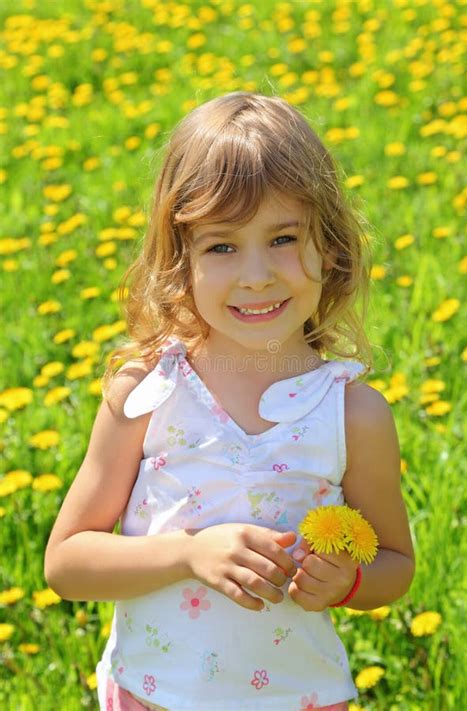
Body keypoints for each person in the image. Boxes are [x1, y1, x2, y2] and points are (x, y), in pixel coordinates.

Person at [44, 91, 415, 711]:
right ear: (178, 260)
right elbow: (66, 562)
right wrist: (189, 555)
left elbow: (396, 563)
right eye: (221, 246)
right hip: (152, 696)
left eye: (284, 238)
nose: (257, 274)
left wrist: (347, 582)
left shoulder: (353, 414)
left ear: (331, 246)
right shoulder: (146, 394)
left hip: (299, 698)